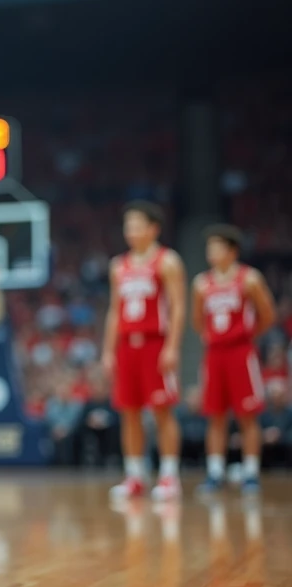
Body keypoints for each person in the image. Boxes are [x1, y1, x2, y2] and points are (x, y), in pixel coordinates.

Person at [102, 201, 187, 502]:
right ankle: (135, 475)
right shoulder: (118, 266)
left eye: (137, 225)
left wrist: (173, 346)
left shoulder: (167, 261)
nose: (131, 231)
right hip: (127, 345)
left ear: (153, 229)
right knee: (129, 411)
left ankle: (168, 476)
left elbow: (177, 307)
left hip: (155, 342)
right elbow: (114, 310)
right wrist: (108, 350)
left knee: (162, 411)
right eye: (128, 226)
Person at [191, 224, 274, 495]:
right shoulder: (202, 284)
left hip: (241, 352)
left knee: (247, 415)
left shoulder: (249, 279)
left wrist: (246, 334)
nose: (211, 252)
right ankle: (215, 472)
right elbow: (197, 321)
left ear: (232, 251)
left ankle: (250, 472)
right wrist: (214, 336)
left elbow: (268, 314)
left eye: (216, 247)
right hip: (215, 353)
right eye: (209, 248)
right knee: (214, 414)